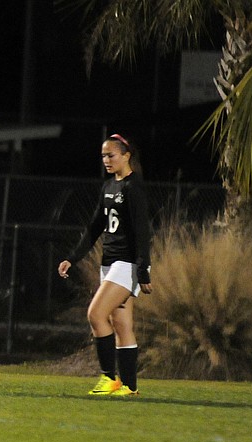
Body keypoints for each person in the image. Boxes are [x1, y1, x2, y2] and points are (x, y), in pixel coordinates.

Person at [58, 133, 152, 396]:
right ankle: (130, 387)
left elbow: (143, 231)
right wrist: (72, 257)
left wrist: (144, 268)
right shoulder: (109, 186)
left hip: (127, 263)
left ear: (126, 155)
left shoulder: (134, 188)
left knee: (95, 315)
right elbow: (94, 227)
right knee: (121, 325)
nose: (106, 160)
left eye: (111, 155)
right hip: (109, 264)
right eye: (103, 156)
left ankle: (109, 378)